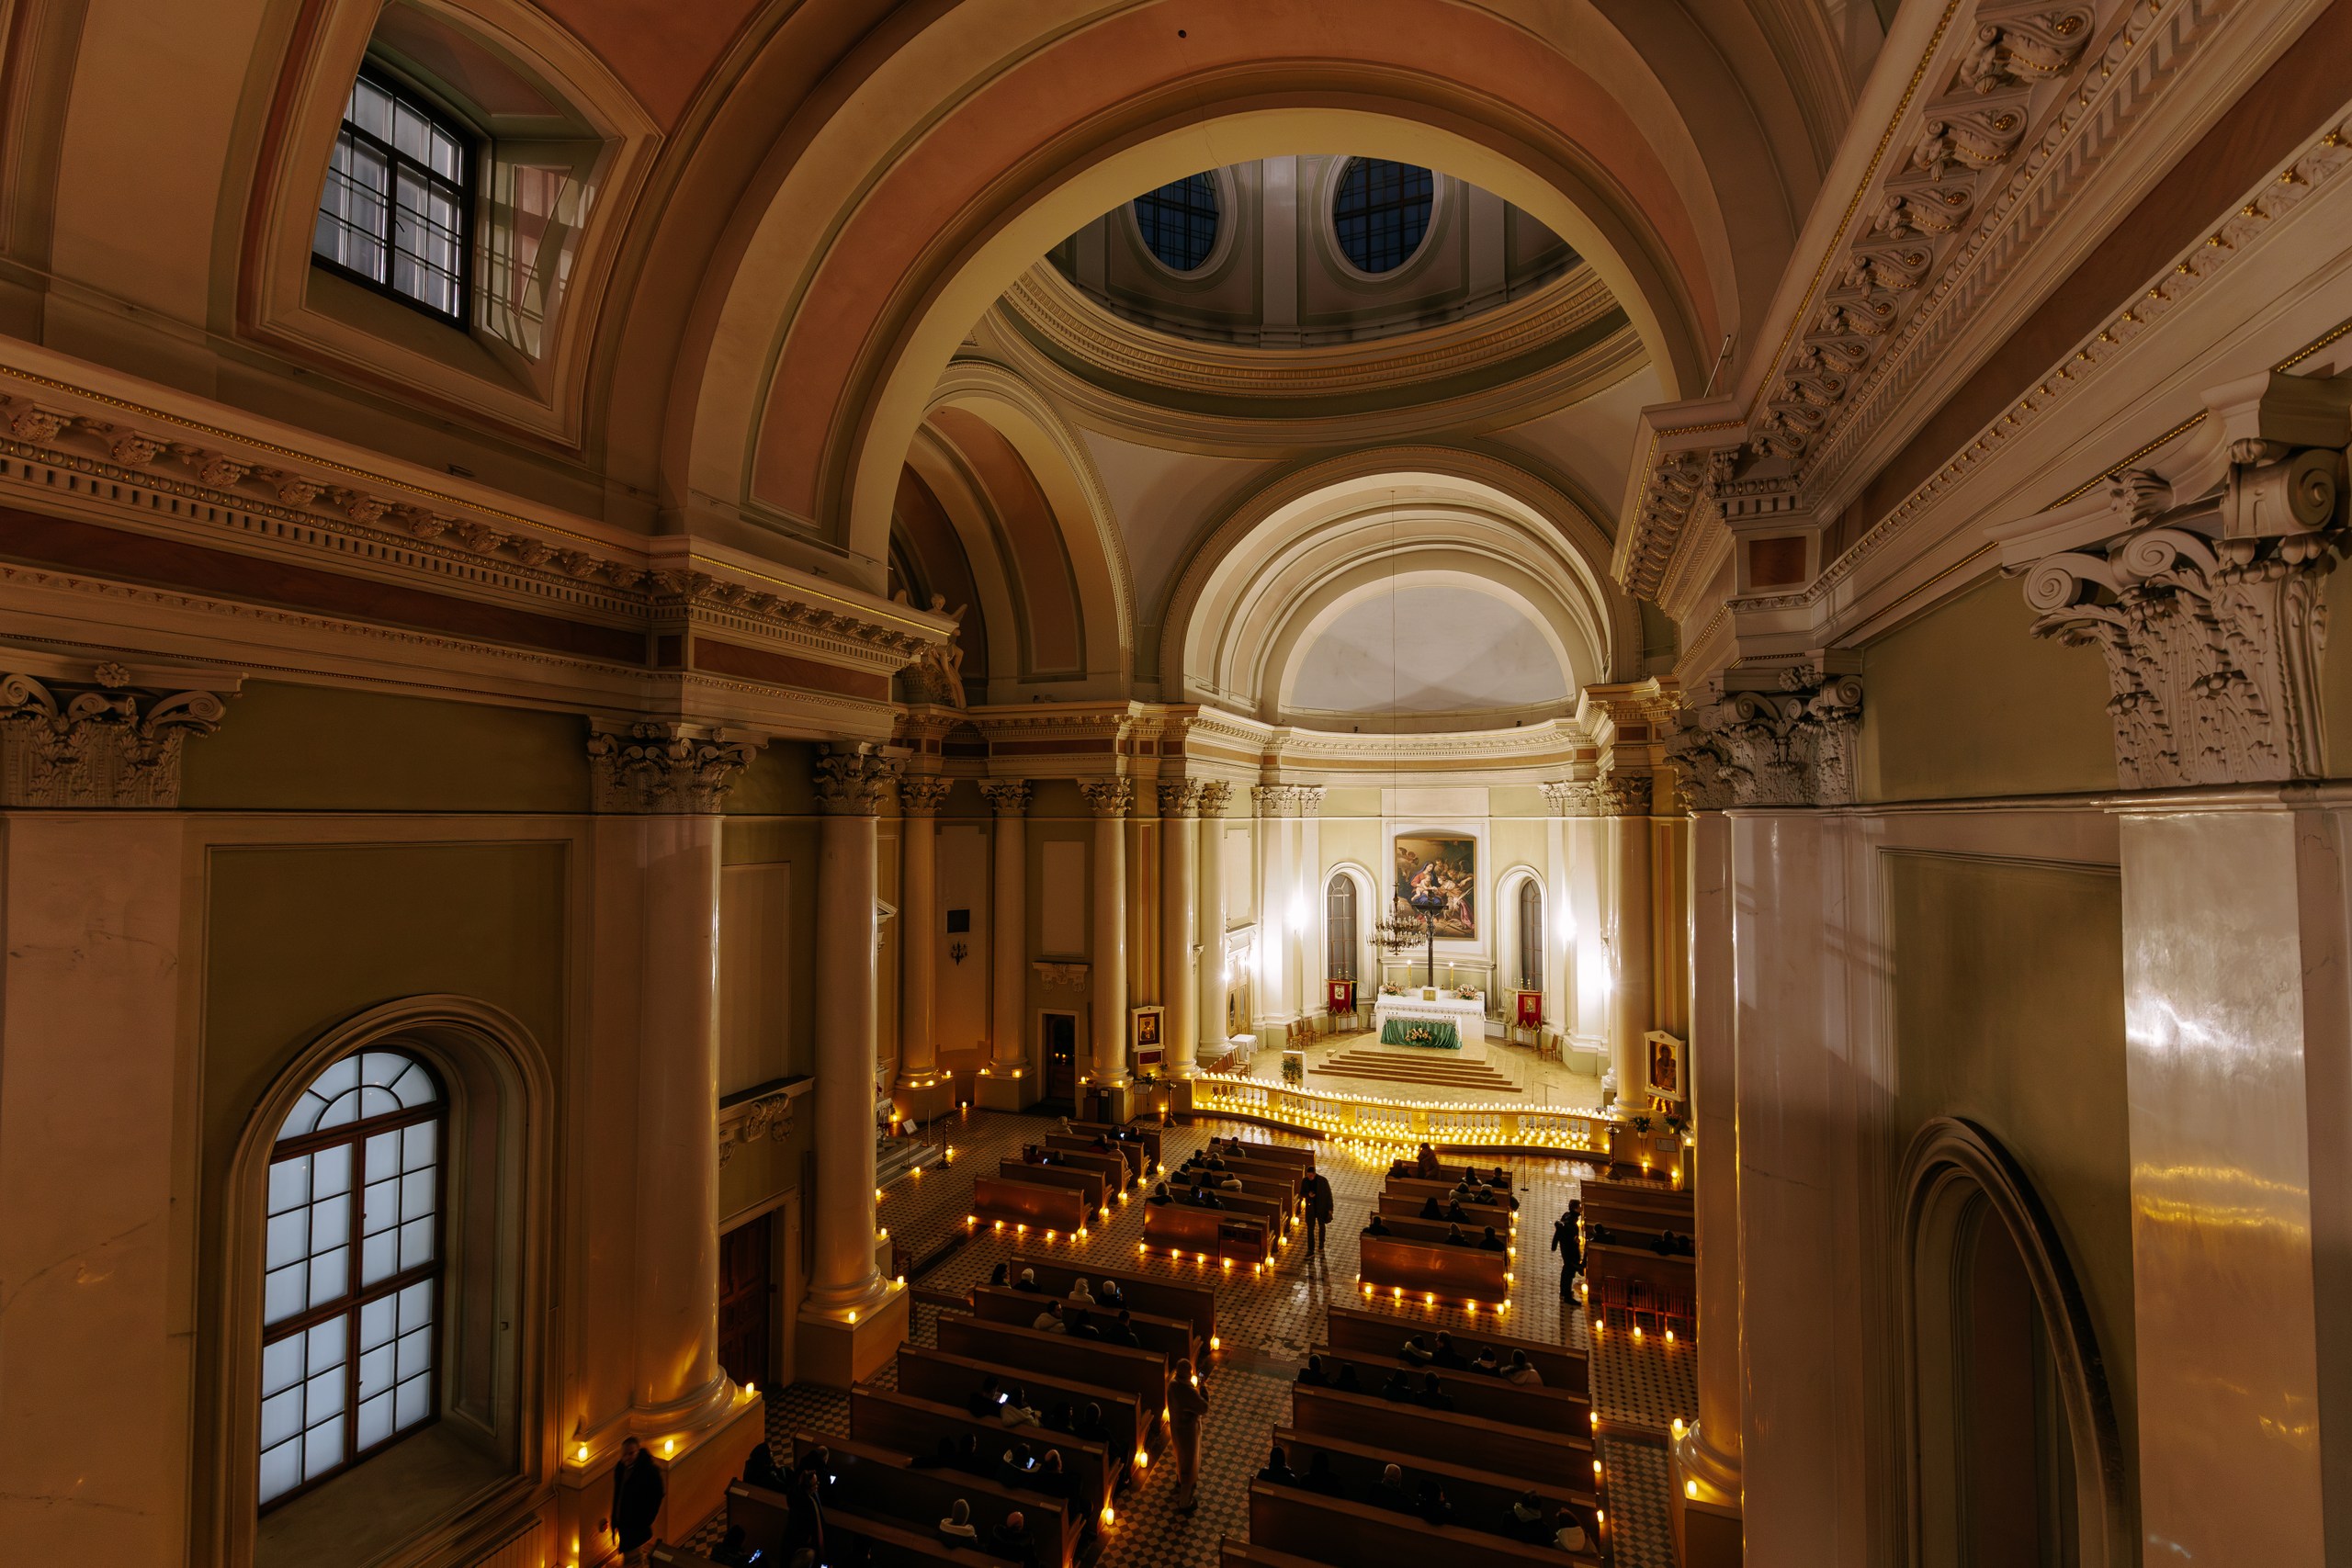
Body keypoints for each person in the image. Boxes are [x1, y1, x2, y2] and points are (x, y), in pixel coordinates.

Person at [609, 1436, 665, 1567]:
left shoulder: (649, 1471)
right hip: (624, 1524)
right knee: (634, 1558)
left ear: (638, 1452)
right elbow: (618, 1496)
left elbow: (657, 1495)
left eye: (631, 1453)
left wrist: (646, 1520)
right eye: (624, 1454)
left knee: (632, 1559)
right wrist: (615, 1521)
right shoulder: (620, 1469)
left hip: (636, 1525)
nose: (627, 1458)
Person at [1170, 1358, 1209, 1514]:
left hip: (1176, 1428)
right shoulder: (1187, 1391)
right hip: (1188, 1433)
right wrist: (1203, 1389)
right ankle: (1185, 1502)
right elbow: (1203, 1407)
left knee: (1180, 1457)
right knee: (1189, 1465)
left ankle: (1179, 1482)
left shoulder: (1172, 1385)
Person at [1301, 1165, 1335, 1258]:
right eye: (1308, 1176)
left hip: (1321, 1207)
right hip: (1310, 1209)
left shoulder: (1323, 1181)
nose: (1309, 1177)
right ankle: (1310, 1250)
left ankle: (1321, 1244)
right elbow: (1301, 1193)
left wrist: (1330, 1209)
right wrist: (1308, 1195)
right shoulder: (1305, 1181)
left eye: (1311, 1176)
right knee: (1310, 1229)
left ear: (1314, 1174)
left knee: (1321, 1226)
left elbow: (1329, 1195)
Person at [1553, 1202, 1582, 1298]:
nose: (1581, 1209)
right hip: (1569, 1250)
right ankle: (1567, 1295)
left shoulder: (1567, 1215)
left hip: (1566, 1248)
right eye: (1579, 1207)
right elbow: (1570, 1237)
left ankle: (1564, 1291)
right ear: (1575, 1209)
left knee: (1566, 1269)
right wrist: (1575, 1241)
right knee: (1568, 1271)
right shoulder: (1570, 1223)